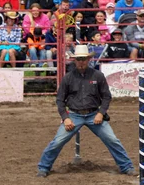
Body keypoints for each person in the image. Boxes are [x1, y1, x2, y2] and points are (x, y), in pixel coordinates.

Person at [37, 44, 134, 177]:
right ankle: (43, 167)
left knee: (112, 139)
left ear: (88, 60)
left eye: (83, 59)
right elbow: (60, 100)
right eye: (79, 59)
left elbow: (106, 97)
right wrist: (66, 118)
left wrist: (101, 113)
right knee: (57, 141)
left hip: (94, 114)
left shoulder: (98, 76)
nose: (81, 61)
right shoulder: (68, 78)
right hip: (74, 115)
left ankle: (126, 166)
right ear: (75, 60)